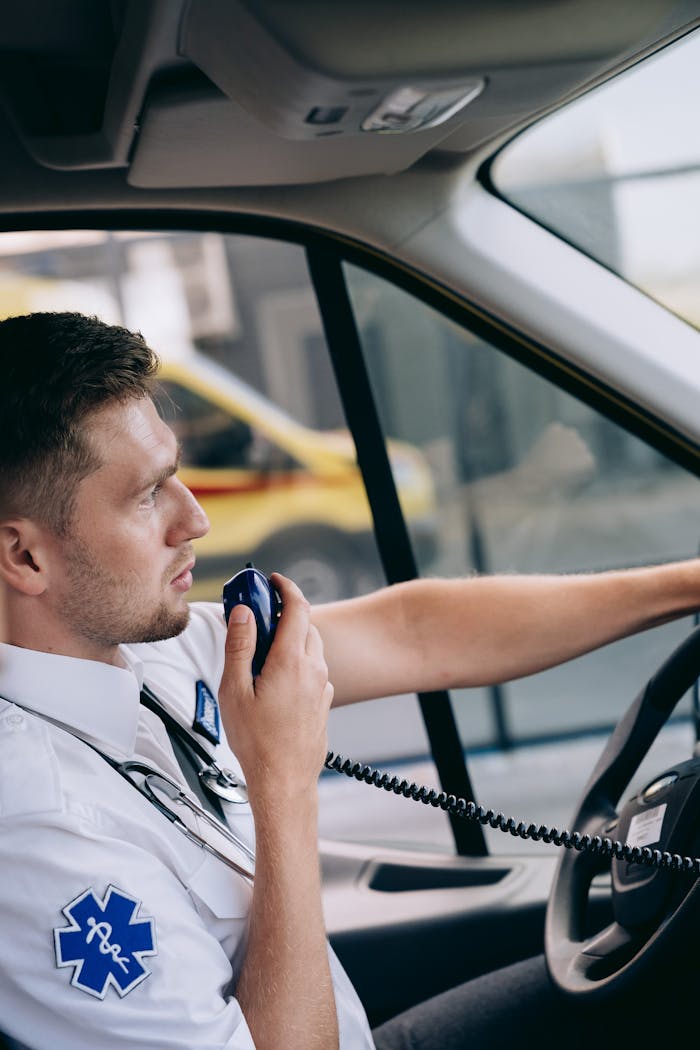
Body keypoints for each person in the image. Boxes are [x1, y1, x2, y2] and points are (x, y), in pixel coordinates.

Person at [1, 311, 699, 1050]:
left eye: (178, 476)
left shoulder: (142, 653)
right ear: (25, 558)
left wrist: (685, 587)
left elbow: (413, 633)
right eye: (147, 496)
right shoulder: (38, 831)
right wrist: (284, 782)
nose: (196, 520)